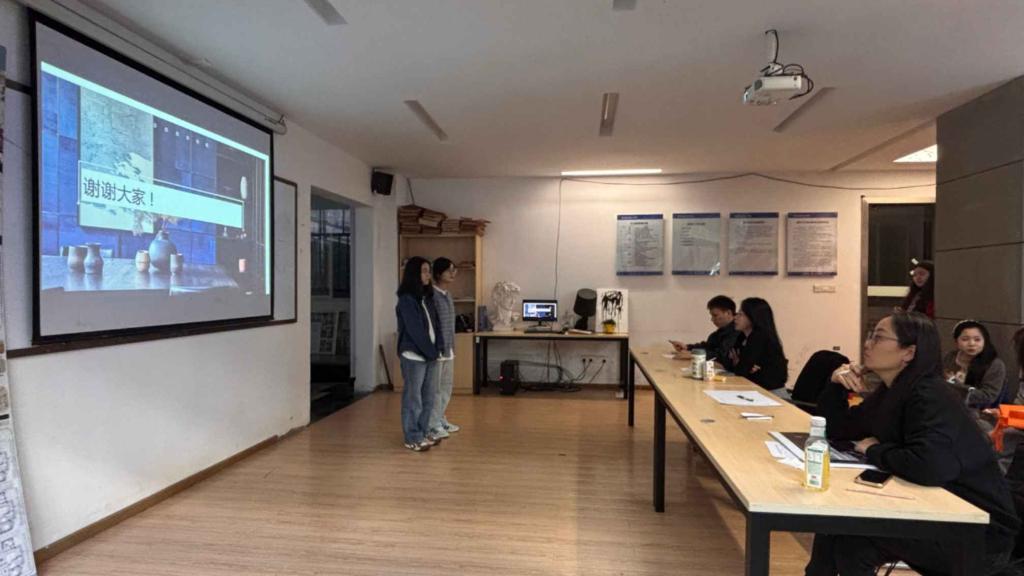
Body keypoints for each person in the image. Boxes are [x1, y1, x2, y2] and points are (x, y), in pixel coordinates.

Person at [805, 312, 1020, 576]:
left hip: (976, 530)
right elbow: (838, 429)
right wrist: (837, 385)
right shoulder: (893, 391)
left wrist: (874, 450)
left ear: (908, 353)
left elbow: (932, 466)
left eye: (878, 337)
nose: (867, 344)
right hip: (934, 510)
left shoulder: (930, 395)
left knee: (853, 538)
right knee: (837, 527)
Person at [396, 257, 445, 452]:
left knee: (428, 398)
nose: (428, 275)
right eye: (424, 271)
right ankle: (412, 437)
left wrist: (438, 348)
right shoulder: (406, 300)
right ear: (414, 273)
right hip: (415, 356)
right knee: (413, 399)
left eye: (428, 271)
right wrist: (431, 352)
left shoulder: (427, 297)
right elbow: (415, 330)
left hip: (430, 355)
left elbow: (437, 325)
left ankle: (423, 432)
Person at [723, 297, 788, 393]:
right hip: (753, 388)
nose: (735, 317)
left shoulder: (760, 337)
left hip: (772, 394)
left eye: (741, 314)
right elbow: (728, 363)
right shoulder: (742, 336)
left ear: (753, 317)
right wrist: (743, 366)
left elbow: (741, 370)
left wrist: (740, 364)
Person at [428, 257, 461, 440]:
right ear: (439, 273)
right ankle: (432, 425)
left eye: (454, 269)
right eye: (449, 270)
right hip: (437, 350)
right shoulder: (431, 296)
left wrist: (452, 347)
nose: (453, 273)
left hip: (449, 349)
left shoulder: (447, 295)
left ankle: (440, 419)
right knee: (435, 389)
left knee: (446, 387)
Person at [943, 320, 1007, 409]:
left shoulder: (995, 365)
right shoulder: (950, 357)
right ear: (956, 341)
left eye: (977, 340)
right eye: (965, 339)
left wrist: (955, 384)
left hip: (979, 411)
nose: (971, 344)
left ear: (985, 341)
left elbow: (988, 396)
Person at [670, 295, 741, 364]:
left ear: (728, 313)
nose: (712, 319)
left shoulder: (738, 331)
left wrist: (694, 354)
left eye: (715, 315)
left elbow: (722, 355)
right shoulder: (720, 332)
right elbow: (708, 347)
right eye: (712, 315)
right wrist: (687, 347)